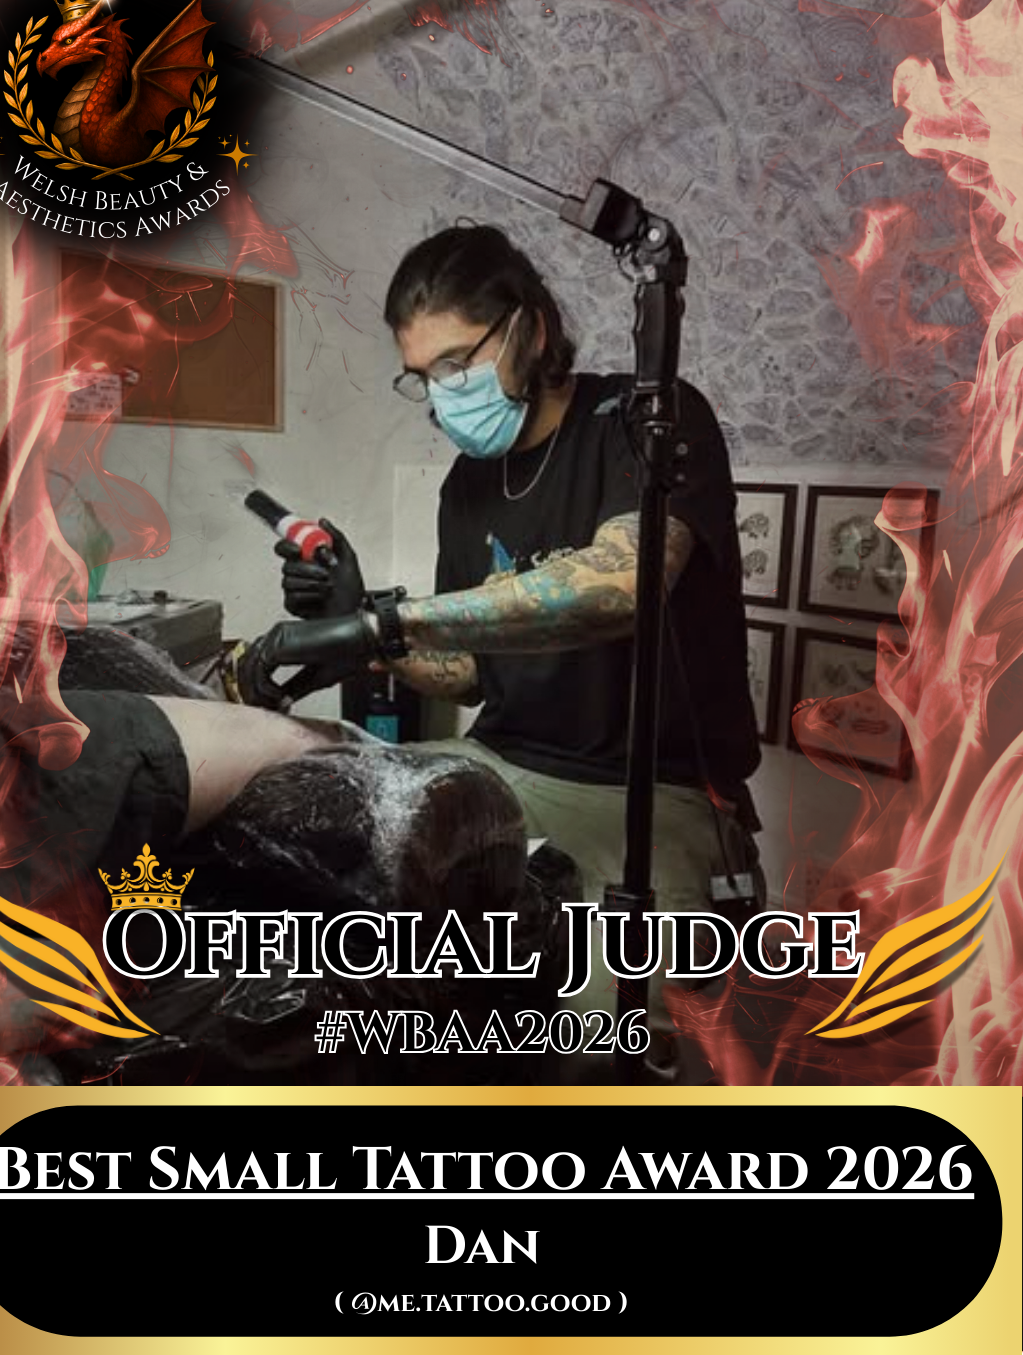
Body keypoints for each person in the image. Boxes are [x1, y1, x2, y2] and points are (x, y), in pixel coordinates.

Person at [243, 224, 762, 1075]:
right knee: (314, 897)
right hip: (497, 764)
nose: (442, 395)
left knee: (596, 1053)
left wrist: (387, 624)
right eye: (422, 378)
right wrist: (362, 624)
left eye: (457, 363)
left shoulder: (647, 419)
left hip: (652, 796)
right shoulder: (468, 486)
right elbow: (469, 676)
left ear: (531, 328)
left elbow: (617, 586)